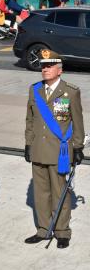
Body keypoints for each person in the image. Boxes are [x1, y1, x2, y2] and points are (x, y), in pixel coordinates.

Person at [24, 49, 85, 249]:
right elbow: (30, 121)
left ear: (60, 70)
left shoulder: (70, 92)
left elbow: (77, 122)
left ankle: (62, 232)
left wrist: (77, 147)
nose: (45, 69)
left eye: (49, 66)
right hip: (39, 150)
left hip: (60, 152)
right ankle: (43, 229)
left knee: (60, 192)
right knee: (40, 193)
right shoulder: (35, 90)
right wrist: (28, 143)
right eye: (43, 66)